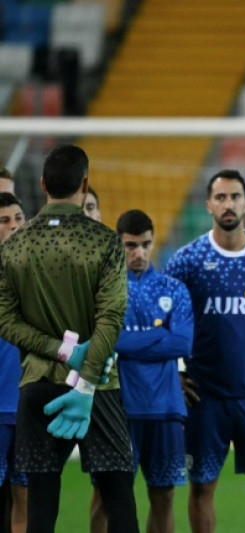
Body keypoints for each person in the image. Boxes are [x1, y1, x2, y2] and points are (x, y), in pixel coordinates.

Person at [0, 144, 138, 533]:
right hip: (99, 389)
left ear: (42, 184)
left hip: (38, 385)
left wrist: (62, 352)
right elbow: (112, 319)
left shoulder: (14, 246)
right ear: (85, 184)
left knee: (40, 510)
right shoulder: (105, 241)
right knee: (120, 503)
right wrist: (87, 379)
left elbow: (4, 319)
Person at [164, 169, 245, 533]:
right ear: (208, 205)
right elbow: (158, 314)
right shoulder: (188, 259)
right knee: (202, 487)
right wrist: (173, 372)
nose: (228, 204)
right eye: (220, 197)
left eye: (235, 196)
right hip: (203, 396)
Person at [100, 209, 194, 533]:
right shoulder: (106, 288)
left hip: (166, 409)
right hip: (118, 410)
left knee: (164, 496)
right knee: (107, 497)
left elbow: (182, 344)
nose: (138, 253)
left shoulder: (174, 289)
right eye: (130, 246)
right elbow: (106, 340)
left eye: (145, 244)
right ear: (118, 244)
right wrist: (158, 335)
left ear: (154, 242)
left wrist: (125, 342)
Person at [0, 193, 27, 533]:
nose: (15, 226)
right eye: (4, 221)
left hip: (27, 406)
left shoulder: (41, 274)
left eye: (19, 218)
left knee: (25, 498)